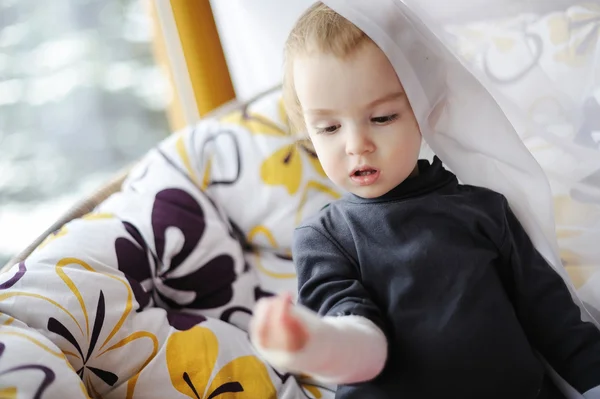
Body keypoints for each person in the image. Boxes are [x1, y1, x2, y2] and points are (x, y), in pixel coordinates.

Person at [249, 2, 600, 398]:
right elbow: (363, 348)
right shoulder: (325, 238)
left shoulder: (485, 210)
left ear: (425, 108)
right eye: (328, 127)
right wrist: (313, 341)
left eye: (381, 117)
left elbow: (558, 325)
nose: (356, 145)